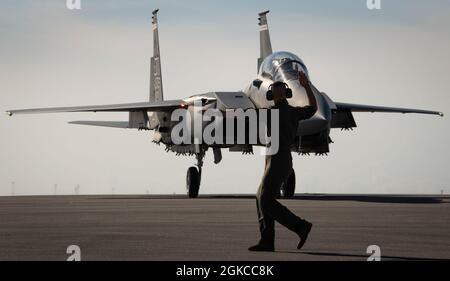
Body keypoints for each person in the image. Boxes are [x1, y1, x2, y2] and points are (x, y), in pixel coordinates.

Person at [249, 71, 318, 252]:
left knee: (265, 199)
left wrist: (307, 86)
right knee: (260, 197)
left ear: (285, 93)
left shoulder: (290, 112)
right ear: (272, 94)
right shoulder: (270, 113)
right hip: (273, 160)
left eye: (280, 87)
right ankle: (267, 241)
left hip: (280, 160)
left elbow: (313, 108)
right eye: (275, 88)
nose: (278, 90)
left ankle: (300, 226)